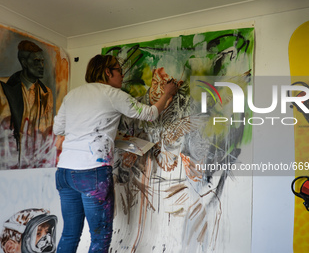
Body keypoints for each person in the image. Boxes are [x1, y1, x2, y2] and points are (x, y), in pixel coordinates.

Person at [53, 54, 178, 253]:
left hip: (65, 173)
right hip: (91, 173)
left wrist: (103, 135)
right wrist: (167, 93)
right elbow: (150, 114)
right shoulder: (113, 94)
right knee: (100, 238)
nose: (122, 75)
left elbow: (58, 129)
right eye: (119, 70)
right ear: (107, 72)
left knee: (70, 234)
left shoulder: (73, 95)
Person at [0, 40, 54, 169]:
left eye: (42, 61)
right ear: (24, 63)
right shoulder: (3, 87)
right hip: (8, 159)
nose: (41, 66)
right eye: (36, 61)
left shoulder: (46, 93)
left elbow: (46, 130)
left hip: (35, 161)